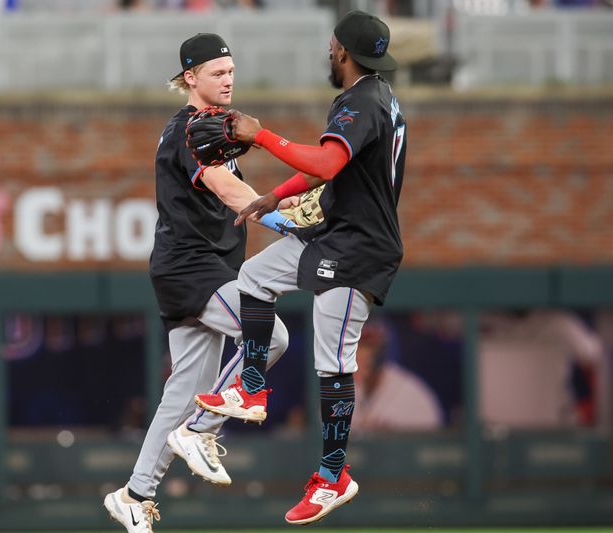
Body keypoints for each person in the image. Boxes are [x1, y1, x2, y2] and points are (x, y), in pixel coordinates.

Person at [195, 10, 406, 525]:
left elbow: (328, 164)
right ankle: (250, 384)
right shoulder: (377, 97)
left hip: (359, 249)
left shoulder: (363, 100)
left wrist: (261, 135)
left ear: (340, 51)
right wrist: (273, 196)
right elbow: (330, 169)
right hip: (335, 232)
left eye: (331, 46)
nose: (328, 53)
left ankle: (333, 476)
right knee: (254, 277)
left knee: (333, 364)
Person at [102, 33, 295, 533]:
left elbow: (237, 187)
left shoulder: (210, 127)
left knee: (182, 392)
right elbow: (228, 190)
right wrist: (286, 220)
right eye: (217, 73)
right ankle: (201, 431)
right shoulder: (192, 128)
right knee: (270, 335)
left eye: (231, 71)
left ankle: (135, 495)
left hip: (195, 266)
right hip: (192, 267)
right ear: (191, 77)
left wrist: (284, 202)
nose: (228, 80)